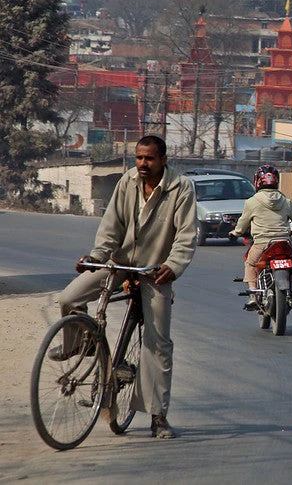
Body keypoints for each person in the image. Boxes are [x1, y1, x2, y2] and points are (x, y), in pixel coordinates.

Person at [53, 135, 197, 440]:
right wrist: (95, 258)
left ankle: (158, 416)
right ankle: (80, 344)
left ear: (164, 160)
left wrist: (174, 265)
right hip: (119, 263)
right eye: (139, 158)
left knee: (158, 342)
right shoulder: (127, 182)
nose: (143, 164)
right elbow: (111, 226)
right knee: (69, 297)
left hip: (155, 271)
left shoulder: (180, 188)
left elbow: (186, 234)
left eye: (150, 159)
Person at [230, 164, 292, 309]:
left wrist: (236, 232)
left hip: (262, 244)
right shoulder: (286, 201)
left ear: (257, 181)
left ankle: (253, 295)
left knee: (250, 263)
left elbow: (242, 224)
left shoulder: (252, 202)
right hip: (284, 242)